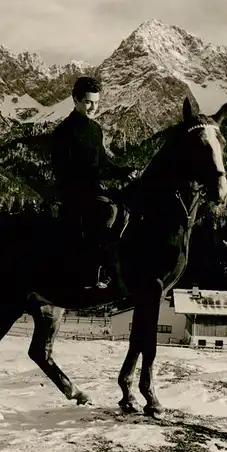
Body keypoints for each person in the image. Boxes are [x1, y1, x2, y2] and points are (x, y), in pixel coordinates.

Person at [50, 76, 134, 291]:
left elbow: (105, 163)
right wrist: (91, 177)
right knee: (106, 212)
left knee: (126, 208)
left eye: (96, 102)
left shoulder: (95, 129)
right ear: (75, 100)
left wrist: (123, 172)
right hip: (73, 193)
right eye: (88, 102)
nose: (93, 107)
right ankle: (95, 273)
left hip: (94, 190)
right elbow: (62, 170)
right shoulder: (64, 132)